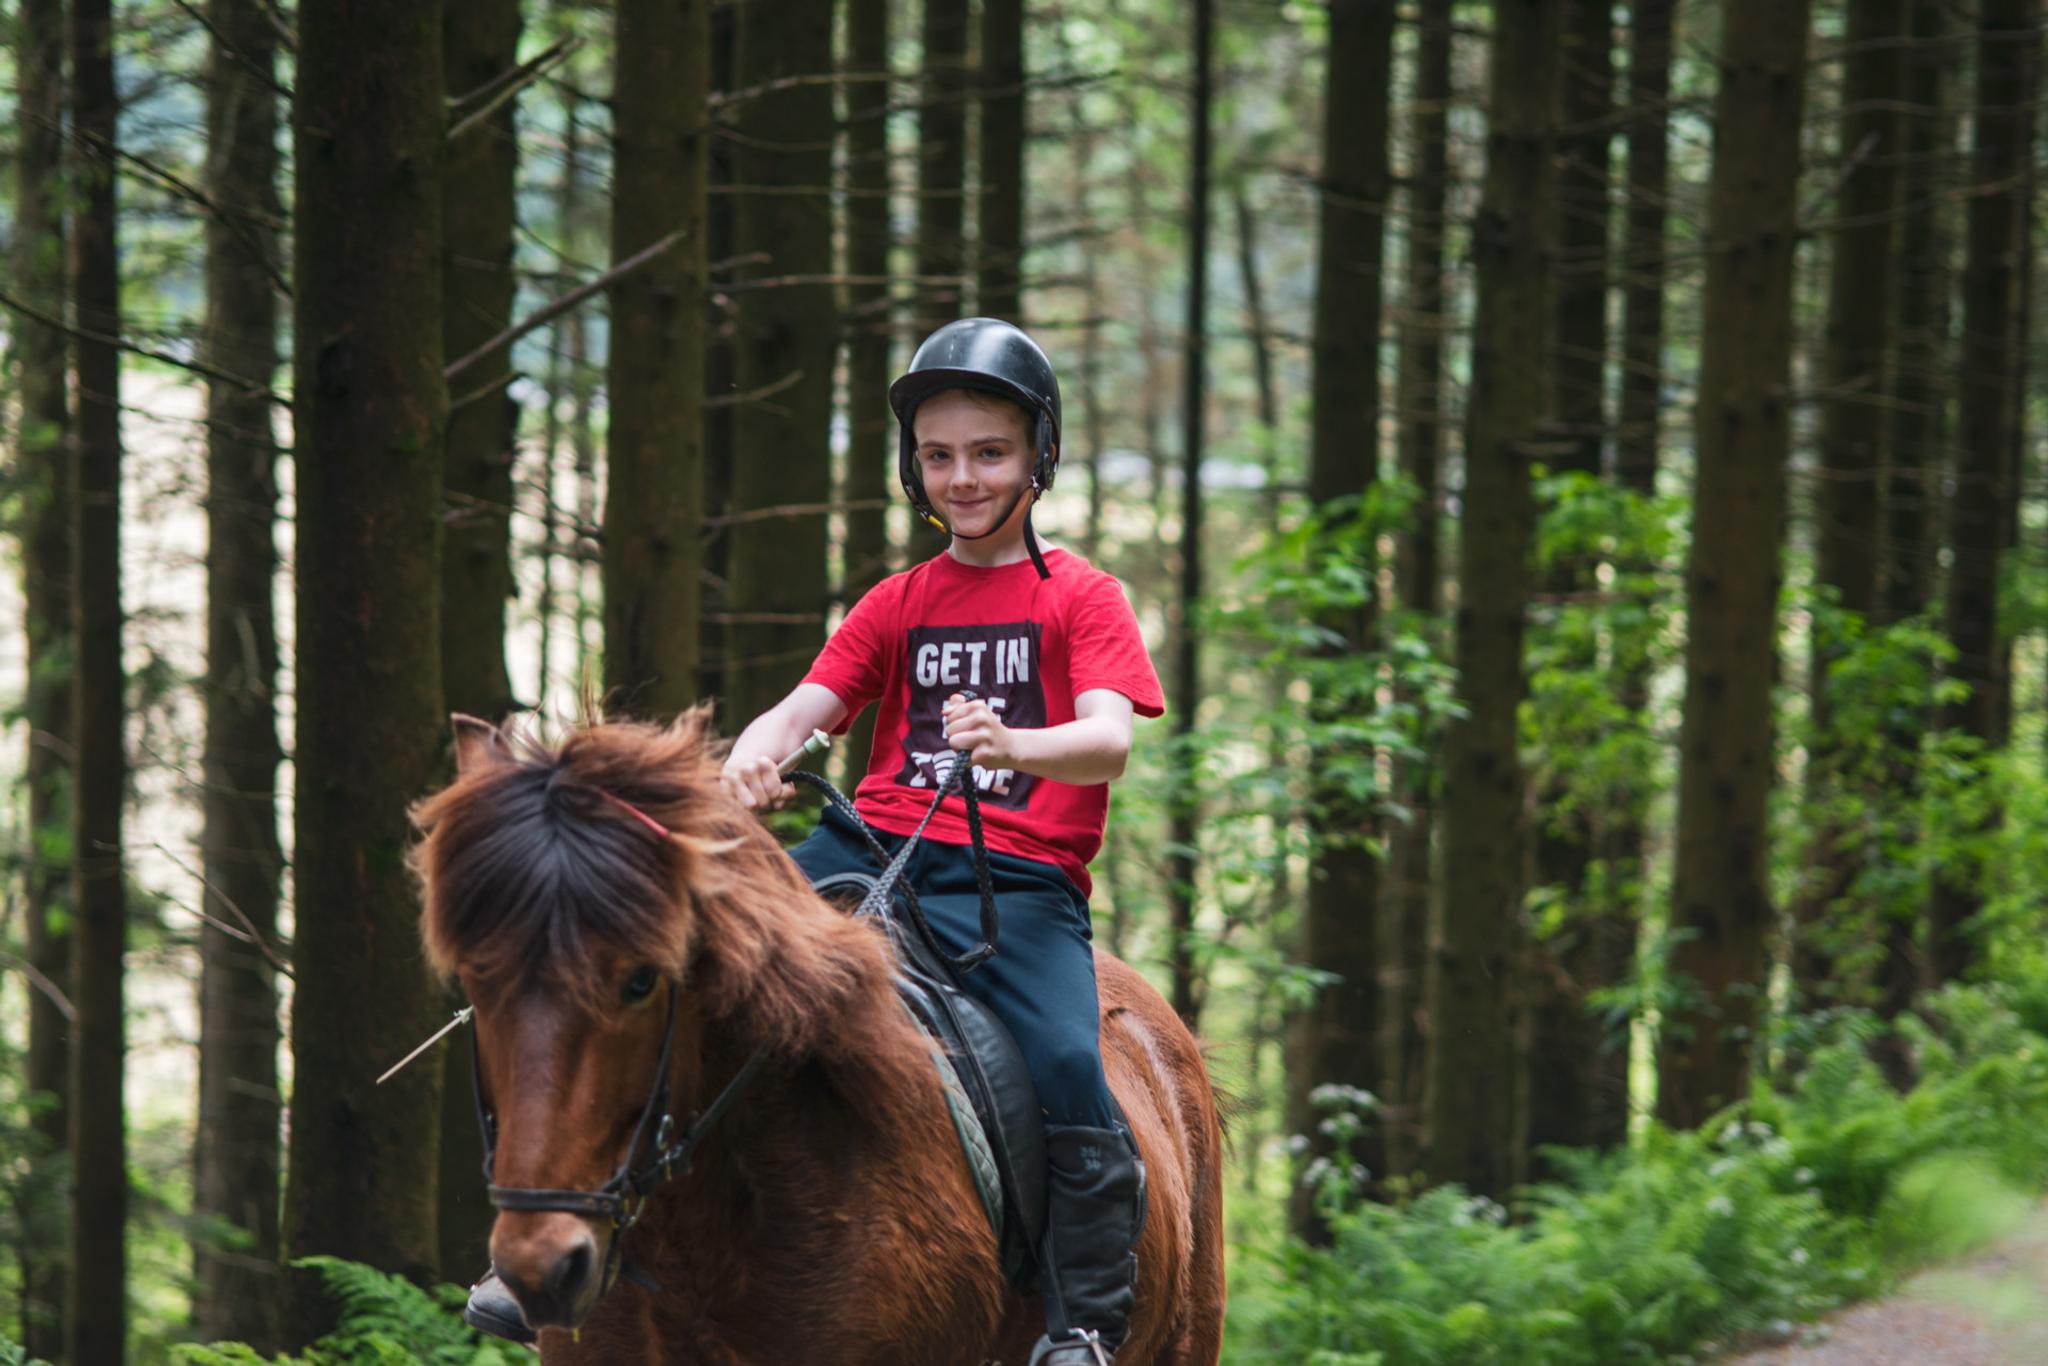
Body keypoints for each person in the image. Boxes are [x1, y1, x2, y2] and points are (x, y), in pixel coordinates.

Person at [721, 317, 1161, 1366]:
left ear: (1036, 457)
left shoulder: (1081, 597)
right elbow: (798, 712)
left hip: (1015, 884)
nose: (961, 478)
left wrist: (1014, 741)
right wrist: (751, 753)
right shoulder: (897, 601)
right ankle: (588, 1235)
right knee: (708, 972)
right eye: (938, 455)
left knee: (1065, 1058)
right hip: (867, 856)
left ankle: (1082, 1323)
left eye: (988, 452)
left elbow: (1106, 743)